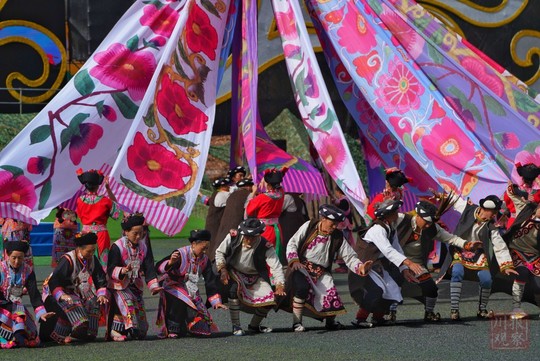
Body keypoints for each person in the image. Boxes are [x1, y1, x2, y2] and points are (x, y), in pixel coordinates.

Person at [284, 204, 372, 332]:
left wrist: (361, 267)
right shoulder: (309, 226)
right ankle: (297, 323)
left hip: (321, 271)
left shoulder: (337, 236)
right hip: (302, 266)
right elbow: (292, 243)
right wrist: (294, 260)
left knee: (331, 294)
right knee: (301, 288)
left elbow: (349, 257)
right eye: (332, 224)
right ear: (323, 219)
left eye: (336, 224)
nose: (335, 227)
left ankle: (330, 322)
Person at [393, 200, 479, 322]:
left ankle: (429, 312)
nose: (428, 225)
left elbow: (451, 238)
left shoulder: (432, 228)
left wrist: (467, 245)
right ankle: (390, 313)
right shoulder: (401, 219)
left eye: (430, 223)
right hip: (397, 262)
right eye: (426, 222)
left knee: (431, 289)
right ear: (418, 216)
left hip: (417, 264)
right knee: (393, 286)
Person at [443, 194, 519, 320]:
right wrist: (442, 197)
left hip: (478, 254)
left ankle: (482, 309)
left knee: (486, 279)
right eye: (493, 212)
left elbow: (499, 245)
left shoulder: (491, 226)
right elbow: (455, 200)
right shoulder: (468, 210)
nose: (494, 215)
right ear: (486, 209)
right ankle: (454, 309)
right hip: (461, 248)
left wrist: (506, 265)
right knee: (457, 272)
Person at [349, 199, 423, 328]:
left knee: (392, 288)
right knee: (377, 290)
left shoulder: (390, 228)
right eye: (395, 211)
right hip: (365, 264)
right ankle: (360, 319)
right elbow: (387, 250)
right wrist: (409, 263)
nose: (397, 213)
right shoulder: (378, 229)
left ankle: (378, 317)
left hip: (377, 265)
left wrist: (404, 269)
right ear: (388, 214)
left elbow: (396, 248)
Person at [215, 218, 286, 336]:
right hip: (235, 271)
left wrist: (280, 285)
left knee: (270, 299)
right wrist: (222, 270)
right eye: (246, 236)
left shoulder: (265, 245)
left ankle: (254, 325)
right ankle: (236, 325)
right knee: (233, 291)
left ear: (258, 235)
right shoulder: (233, 237)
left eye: (252, 237)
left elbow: (276, 266)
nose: (248, 239)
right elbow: (219, 252)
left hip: (255, 277)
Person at [155, 229, 226, 338]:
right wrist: (170, 263)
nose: (205, 251)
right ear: (193, 244)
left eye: (207, 248)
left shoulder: (204, 260)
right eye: (203, 248)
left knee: (203, 321)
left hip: (190, 289)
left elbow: (210, 281)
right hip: (172, 285)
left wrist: (216, 302)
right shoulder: (181, 254)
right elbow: (159, 267)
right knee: (181, 298)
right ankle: (173, 328)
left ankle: (187, 326)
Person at [40, 232, 108, 344]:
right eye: (89, 251)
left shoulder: (93, 260)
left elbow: (100, 278)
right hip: (56, 291)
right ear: (79, 249)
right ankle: (61, 334)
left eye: (93, 251)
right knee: (75, 308)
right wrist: (62, 295)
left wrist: (101, 295)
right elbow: (54, 280)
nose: (91, 254)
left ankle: (88, 333)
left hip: (75, 290)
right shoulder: (68, 259)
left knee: (93, 301)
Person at [106, 213, 160, 341]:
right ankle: (115, 330)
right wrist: (123, 270)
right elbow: (110, 268)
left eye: (141, 233)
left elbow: (149, 267)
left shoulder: (143, 246)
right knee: (127, 301)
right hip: (119, 285)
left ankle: (134, 330)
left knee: (142, 331)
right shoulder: (117, 246)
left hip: (135, 284)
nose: (138, 236)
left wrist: (154, 286)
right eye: (135, 233)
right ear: (126, 232)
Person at [0, 241, 54, 348]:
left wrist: (41, 313)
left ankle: (15, 336)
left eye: (20, 258)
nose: (17, 261)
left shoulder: (28, 271)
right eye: (13, 257)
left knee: (32, 336)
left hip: (15, 308)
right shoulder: (1, 269)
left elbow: (34, 294)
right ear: (7, 254)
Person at [503, 183, 540, 318]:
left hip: (535, 254)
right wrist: (524, 194)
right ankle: (516, 308)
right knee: (522, 273)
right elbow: (510, 190)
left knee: (538, 285)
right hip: (516, 249)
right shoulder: (524, 208)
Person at [76, 168, 120, 268]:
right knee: (102, 261)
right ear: (97, 186)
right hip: (101, 235)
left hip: (85, 234)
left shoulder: (79, 200)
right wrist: (108, 189)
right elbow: (116, 212)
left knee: (85, 258)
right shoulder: (105, 201)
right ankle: (101, 281)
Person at [246, 168, 288, 263]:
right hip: (276, 229)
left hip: (264, 230)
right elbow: (277, 182)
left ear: (268, 185)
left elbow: (248, 211)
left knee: (263, 257)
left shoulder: (262, 198)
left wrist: (253, 192)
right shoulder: (281, 193)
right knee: (274, 258)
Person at [211, 178, 254, 261]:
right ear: (248, 187)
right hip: (236, 225)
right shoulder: (247, 195)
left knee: (220, 245)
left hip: (224, 225)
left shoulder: (231, 194)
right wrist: (254, 193)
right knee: (230, 249)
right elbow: (248, 211)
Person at [504, 162, 540, 228]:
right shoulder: (536, 193)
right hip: (529, 224)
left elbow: (507, 200)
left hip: (516, 222)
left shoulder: (512, 188)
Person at [204, 177, 231, 262]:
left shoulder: (215, 194)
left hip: (211, 223)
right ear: (222, 187)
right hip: (216, 223)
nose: (229, 187)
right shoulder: (223, 195)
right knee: (215, 242)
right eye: (226, 186)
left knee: (210, 242)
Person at [333, 187, 355, 273]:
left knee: (342, 244)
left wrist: (335, 202)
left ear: (338, 192)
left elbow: (340, 207)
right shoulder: (344, 200)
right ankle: (344, 265)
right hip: (344, 226)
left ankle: (344, 266)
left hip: (344, 226)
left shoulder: (344, 200)